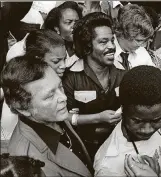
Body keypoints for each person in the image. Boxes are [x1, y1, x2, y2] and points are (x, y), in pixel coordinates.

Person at [1, 56, 91, 176]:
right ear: (23, 108)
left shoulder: (52, 115)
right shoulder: (27, 163)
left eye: (59, 86)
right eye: (49, 96)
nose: (63, 98)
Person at [63, 12, 125, 160]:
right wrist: (98, 118)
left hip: (117, 146)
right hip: (82, 148)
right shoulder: (71, 77)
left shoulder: (123, 72)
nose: (112, 47)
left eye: (112, 40)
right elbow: (63, 117)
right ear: (87, 46)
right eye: (103, 42)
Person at [94, 66, 161, 176]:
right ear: (123, 110)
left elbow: (154, 149)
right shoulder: (108, 167)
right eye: (137, 121)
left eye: (156, 120)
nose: (147, 130)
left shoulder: (146, 120)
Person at [1, 29, 67, 141]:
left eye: (65, 59)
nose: (64, 66)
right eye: (56, 61)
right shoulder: (23, 88)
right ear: (37, 60)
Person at [113, 4, 156, 71]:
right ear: (123, 33)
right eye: (138, 41)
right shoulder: (106, 52)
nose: (144, 45)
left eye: (145, 41)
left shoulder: (142, 52)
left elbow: (156, 75)